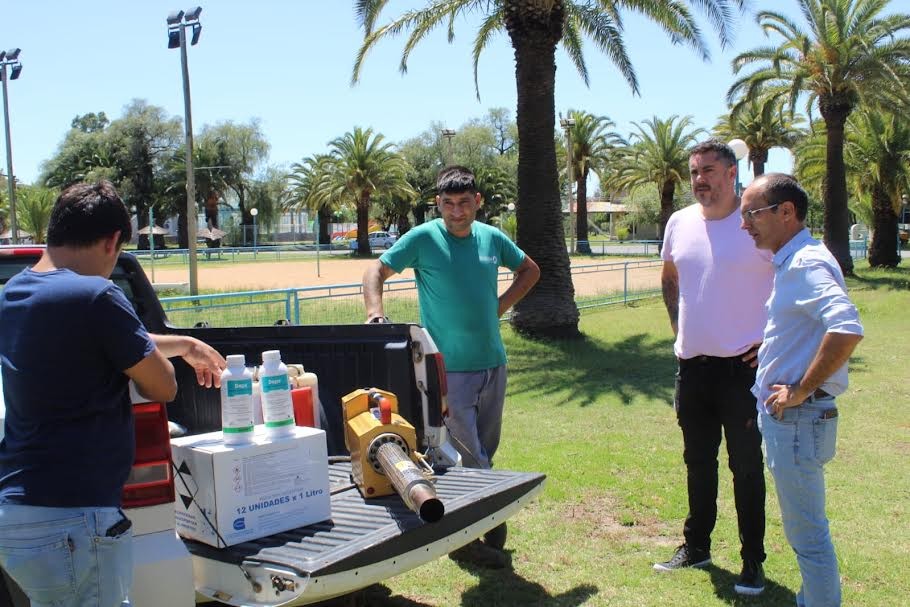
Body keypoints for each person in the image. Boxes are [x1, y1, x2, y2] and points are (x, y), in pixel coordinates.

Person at [0, 181, 225, 607]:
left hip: (19, 514)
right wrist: (160, 359)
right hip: (74, 520)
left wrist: (184, 344)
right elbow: (162, 385)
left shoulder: (14, 295)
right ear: (112, 242)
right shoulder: (97, 296)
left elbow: (100, 342)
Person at [363, 165, 539, 561]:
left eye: (464, 203)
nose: (456, 212)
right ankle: (469, 537)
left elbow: (530, 270)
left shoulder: (492, 238)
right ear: (437, 204)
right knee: (466, 455)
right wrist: (375, 313)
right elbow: (376, 270)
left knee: (485, 450)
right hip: (448, 370)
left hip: (493, 363)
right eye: (448, 204)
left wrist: (499, 306)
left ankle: (478, 520)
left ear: (478, 201)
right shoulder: (423, 238)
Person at [655, 140, 772, 596]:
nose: (699, 179)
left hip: (742, 371)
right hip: (693, 367)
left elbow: (787, 282)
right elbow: (670, 275)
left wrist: (771, 341)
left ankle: (752, 561)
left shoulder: (755, 224)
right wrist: (678, 329)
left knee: (746, 467)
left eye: (708, 170)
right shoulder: (680, 222)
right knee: (698, 462)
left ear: (731, 173)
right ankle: (696, 546)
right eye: (694, 172)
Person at [741, 173, 862, 606]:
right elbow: (807, 326)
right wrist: (772, 350)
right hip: (795, 421)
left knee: (808, 536)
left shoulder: (806, 263)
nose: (745, 225)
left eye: (752, 214)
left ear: (786, 212)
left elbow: (846, 328)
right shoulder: (794, 260)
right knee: (804, 531)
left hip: (798, 420)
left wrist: (800, 390)